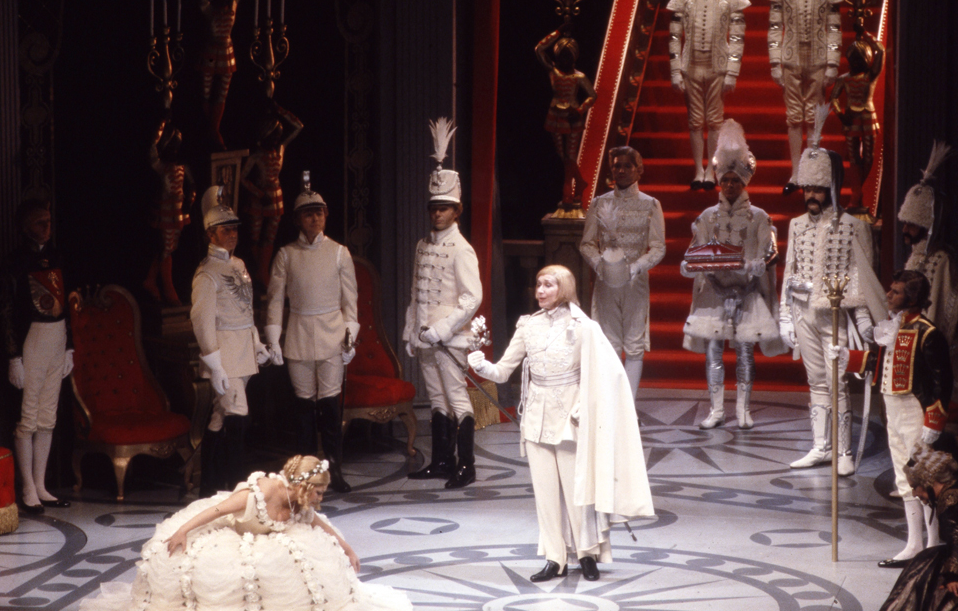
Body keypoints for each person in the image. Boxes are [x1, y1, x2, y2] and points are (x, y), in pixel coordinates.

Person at [468, 265, 654, 583]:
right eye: (538, 284)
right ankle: (555, 558)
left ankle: (586, 553)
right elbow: (503, 371)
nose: (540, 291)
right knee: (545, 494)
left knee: (576, 490)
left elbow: (604, 372)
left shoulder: (584, 327)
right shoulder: (527, 326)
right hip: (536, 419)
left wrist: (584, 405)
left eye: (548, 285)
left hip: (571, 418)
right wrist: (481, 364)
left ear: (563, 288)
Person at [80, 455, 413, 611]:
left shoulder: (299, 503)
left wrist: (347, 548)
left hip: (269, 536)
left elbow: (318, 523)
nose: (320, 499)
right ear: (302, 487)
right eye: (318, 492)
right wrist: (182, 531)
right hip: (230, 526)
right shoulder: (261, 493)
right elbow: (216, 511)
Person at [779, 104, 886, 475]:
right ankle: (820, 446)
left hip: (837, 315)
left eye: (818, 188)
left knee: (837, 382)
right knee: (816, 382)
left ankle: (841, 451)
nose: (811, 194)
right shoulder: (794, 226)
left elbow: (860, 276)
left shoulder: (851, 226)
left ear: (831, 188)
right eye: (807, 187)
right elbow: (789, 272)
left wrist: (865, 321)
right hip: (804, 312)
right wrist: (785, 319)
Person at [834, 271, 953, 568]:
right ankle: (914, 543)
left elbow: (942, 382)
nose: (888, 295)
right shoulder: (891, 327)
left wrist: (932, 423)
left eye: (896, 292)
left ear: (911, 298)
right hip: (892, 407)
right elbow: (879, 361)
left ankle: (934, 540)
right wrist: (847, 357)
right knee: (903, 475)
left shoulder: (928, 333)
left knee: (924, 476)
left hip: (915, 409)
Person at [680, 121, 786, 429]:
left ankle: (743, 408)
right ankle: (716, 409)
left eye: (735, 180)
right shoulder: (706, 217)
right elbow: (693, 251)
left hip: (747, 292)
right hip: (714, 291)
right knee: (713, 351)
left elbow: (770, 251)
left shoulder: (759, 217)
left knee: (744, 353)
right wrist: (689, 266)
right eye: (725, 180)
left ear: (744, 182)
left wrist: (758, 264)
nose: (729, 185)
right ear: (718, 181)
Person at [403, 118, 483, 489]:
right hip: (425, 339)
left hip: (448, 339)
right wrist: (411, 330)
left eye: (444, 208)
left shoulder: (461, 249)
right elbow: (417, 292)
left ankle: (466, 465)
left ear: (458, 210)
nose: (437, 213)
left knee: (457, 400)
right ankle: (440, 461)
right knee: (436, 399)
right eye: (434, 207)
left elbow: (472, 298)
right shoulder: (423, 245)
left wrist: (442, 328)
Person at [266, 176, 359, 493]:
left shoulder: (339, 253)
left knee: (330, 408)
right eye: (308, 214)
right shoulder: (286, 255)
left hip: (332, 337)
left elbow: (351, 302)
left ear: (326, 215)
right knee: (304, 410)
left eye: (319, 212)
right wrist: (274, 338)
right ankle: (305, 475)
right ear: (297, 219)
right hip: (299, 337)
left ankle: (335, 470)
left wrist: (350, 337)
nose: (315, 218)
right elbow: (276, 300)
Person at [191, 186, 270, 495]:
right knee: (237, 419)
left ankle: (209, 490)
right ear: (211, 234)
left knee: (219, 418)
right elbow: (202, 322)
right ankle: (237, 489)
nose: (233, 234)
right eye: (226, 230)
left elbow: (245, 312)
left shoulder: (238, 265)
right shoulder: (206, 274)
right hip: (225, 360)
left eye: (235, 229)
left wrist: (258, 343)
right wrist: (215, 364)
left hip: (244, 356)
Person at [0, 199, 73, 514]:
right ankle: (27, 487)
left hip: (57, 337)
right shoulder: (14, 262)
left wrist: (70, 346)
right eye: (39, 221)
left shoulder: (58, 256)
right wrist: (13, 356)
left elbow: (68, 302)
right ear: (26, 226)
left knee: (48, 416)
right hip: (32, 339)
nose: (46, 226)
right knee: (28, 417)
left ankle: (41, 484)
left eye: (48, 220)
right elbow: (5, 312)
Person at [580, 145, 666, 402]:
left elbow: (659, 246)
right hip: (606, 283)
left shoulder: (650, 205)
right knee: (609, 345)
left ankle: (627, 407)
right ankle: (611, 407)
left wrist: (636, 267)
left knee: (634, 345)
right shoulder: (599, 202)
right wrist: (600, 265)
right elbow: (586, 244)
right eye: (617, 165)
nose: (621, 170)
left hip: (635, 283)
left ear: (639, 169)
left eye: (627, 166)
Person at [666, 0, 750, 190]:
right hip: (691, 67)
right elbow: (673, 39)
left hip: (717, 67)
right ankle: (697, 170)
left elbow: (737, 39)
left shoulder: (730, 0)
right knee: (694, 121)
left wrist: (732, 71)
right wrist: (675, 71)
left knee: (714, 120)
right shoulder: (683, 0)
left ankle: (712, 171)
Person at [765, 0, 845, 194]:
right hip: (791, 58)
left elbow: (834, 29)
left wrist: (832, 62)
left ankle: (811, 169)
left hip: (818, 58)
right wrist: (775, 63)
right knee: (793, 115)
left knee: (813, 115)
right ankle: (795, 171)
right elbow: (774, 28)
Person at [878, 445, 958, 611]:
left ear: (928, 483)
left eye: (915, 488)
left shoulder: (949, 500)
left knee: (922, 574)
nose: (914, 494)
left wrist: (952, 576)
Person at [897, 141, 958, 397]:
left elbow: (940, 314)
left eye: (911, 225)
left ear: (927, 227)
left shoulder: (941, 260)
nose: (905, 230)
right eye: (905, 223)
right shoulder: (915, 256)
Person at [241, 103, 304, 287]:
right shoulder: (256, 156)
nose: (277, 140)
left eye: (278, 136)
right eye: (274, 136)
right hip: (258, 201)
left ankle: (263, 272)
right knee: (255, 236)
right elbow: (242, 178)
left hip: (276, 199)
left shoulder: (280, 150)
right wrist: (259, 193)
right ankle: (258, 271)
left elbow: (299, 126)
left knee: (269, 237)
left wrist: (280, 110)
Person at [535, 23, 597, 209]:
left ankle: (567, 192)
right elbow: (539, 49)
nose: (565, 59)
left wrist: (579, 111)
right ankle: (580, 182)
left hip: (573, 118)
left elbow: (592, 95)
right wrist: (558, 32)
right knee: (562, 155)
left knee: (570, 154)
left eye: (568, 55)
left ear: (575, 57)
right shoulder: (553, 71)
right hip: (555, 115)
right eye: (562, 55)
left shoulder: (579, 76)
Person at [199, 0, 255, 149]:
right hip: (212, 52)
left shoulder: (232, 6)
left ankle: (214, 131)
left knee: (222, 93)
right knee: (206, 91)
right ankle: (213, 131)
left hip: (227, 51)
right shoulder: (209, 10)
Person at [828, 32, 885, 212]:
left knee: (869, 156)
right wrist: (840, 114)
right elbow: (834, 98)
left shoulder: (870, 75)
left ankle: (858, 193)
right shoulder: (843, 79)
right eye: (854, 60)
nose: (857, 64)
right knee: (853, 158)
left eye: (861, 60)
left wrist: (869, 38)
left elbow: (882, 52)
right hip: (851, 119)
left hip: (868, 117)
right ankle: (856, 193)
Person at [143, 118, 196, 306]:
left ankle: (151, 280)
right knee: (165, 248)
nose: (174, 151)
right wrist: (162, 124)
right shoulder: (161, 167)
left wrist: (190, 201)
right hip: (165, 211)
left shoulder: (183, 167)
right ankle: (168, 289)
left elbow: (192, 186)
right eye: (170, 147)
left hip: (179, 212)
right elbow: (151, 150)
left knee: (169, 248)